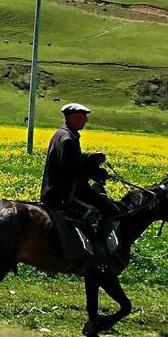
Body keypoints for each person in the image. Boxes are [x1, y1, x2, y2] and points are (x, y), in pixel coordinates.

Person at [40, 103, 119, 268]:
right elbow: (72, 170)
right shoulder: (67, 139)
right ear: (72, 117)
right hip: (66, 193)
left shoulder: (66, 135)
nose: (86, 120)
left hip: (65, 189)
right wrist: (98, 174)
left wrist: (92, 158)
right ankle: (100, 256)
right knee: (110, 210)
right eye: (83, 116)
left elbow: (75, 160)